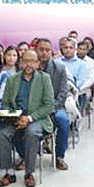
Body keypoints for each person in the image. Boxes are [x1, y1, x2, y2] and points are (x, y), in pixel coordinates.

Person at [0, 50, 55, 187]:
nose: (29, 64)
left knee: (32, 133)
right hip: (16, 119)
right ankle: (9, 173)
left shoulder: (44, 78)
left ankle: (29, 173)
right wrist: (15, 116)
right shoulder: (12, 79)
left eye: (32, 61)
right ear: (21, 63)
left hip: (37, 118)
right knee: (2, 134)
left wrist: (29, 118)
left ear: (37, 64)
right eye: (26, 61)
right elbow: (5, 104)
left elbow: (49, 105)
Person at [36, 38, 70, 170]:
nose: (44, 53)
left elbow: (63, 92)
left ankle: (59, 156)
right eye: (41, 49)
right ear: (36, 50)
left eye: (47, 50)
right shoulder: (30, 68)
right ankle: (24, 156)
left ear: (52, 52)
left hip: (55, 107)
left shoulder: (60, 68)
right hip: (34, 108)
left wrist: (50, 108)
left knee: (63, 120)